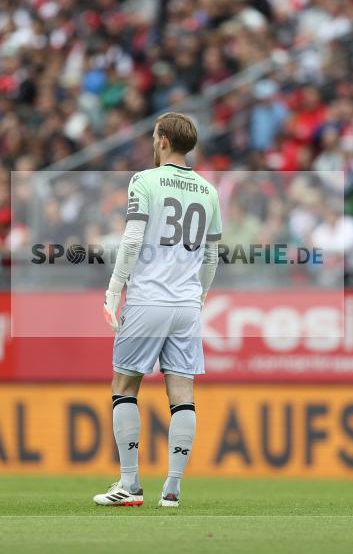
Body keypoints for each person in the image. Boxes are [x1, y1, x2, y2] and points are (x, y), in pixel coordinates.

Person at [95, 113, 222, 508]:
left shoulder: (144, 181)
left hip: (149, 298)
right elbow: (212, 253)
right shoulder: (208, 190)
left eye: (154, 137)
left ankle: (130, 484)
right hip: (186, 303)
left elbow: (132, 240)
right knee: (182, 393)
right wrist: (199, 296)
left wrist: (115, 289)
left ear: (163, 141)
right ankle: (172, 487)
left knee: (125, 385)